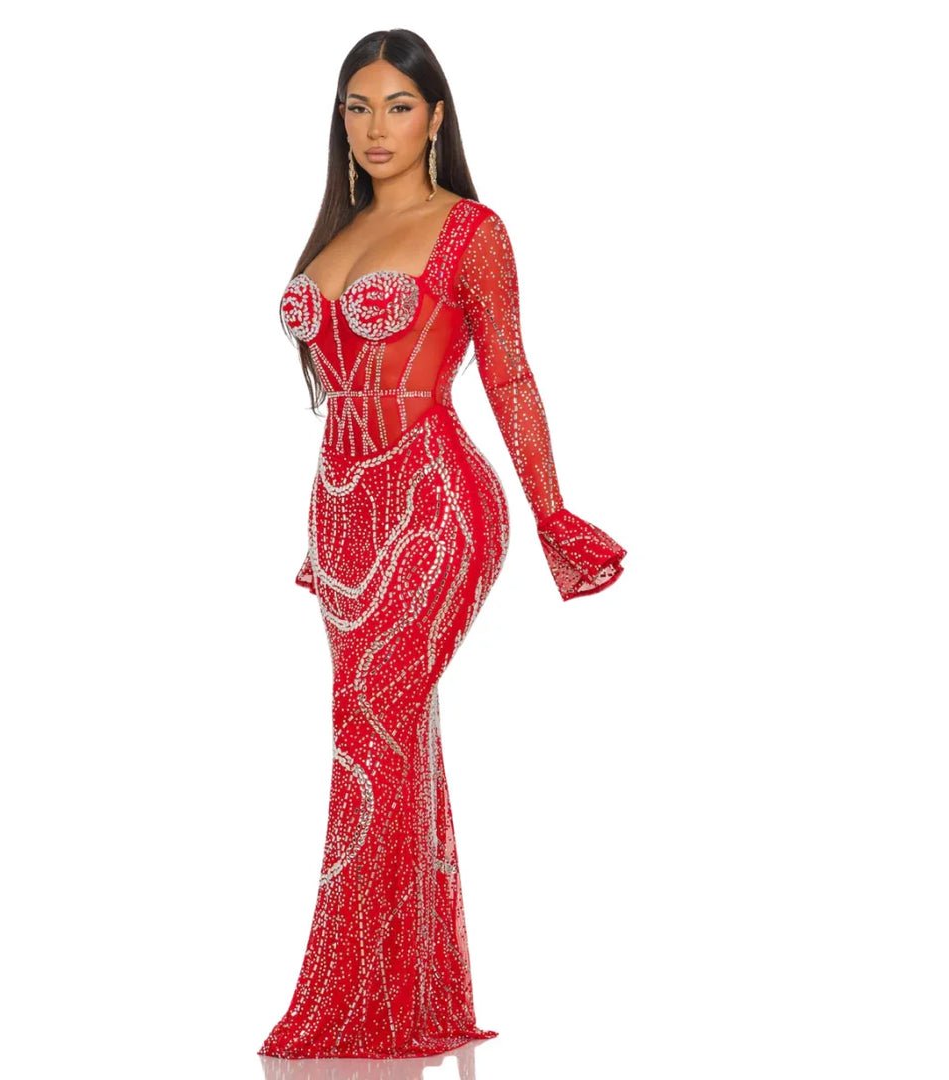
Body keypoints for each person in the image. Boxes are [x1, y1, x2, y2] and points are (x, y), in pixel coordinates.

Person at [259, 28, 627, 1061]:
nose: (375, 128)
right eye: (357, 107)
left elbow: (509, 374)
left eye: (398, 106)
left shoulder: (471, 231)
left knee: (371, 728)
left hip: (437, 504)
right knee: (388, 738)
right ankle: (410, 994)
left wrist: (553, 514)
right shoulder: (334, 232)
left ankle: (357, 1002)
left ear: (436, 118)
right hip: (342, 517)